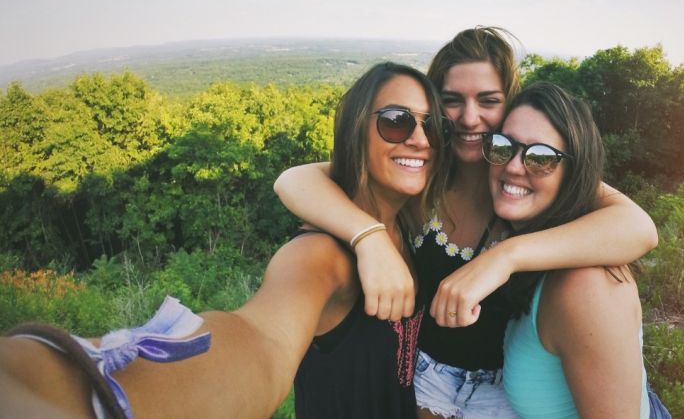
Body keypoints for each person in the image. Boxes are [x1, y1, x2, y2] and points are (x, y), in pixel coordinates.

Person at [0, 62, 452, 418]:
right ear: (356, 128)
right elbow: (259, 338)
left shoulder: (404, 229)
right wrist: (61, 386)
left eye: (432, 126)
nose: (418, 139)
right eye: (396, 121)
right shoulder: (322, 254)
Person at [274, 27, 659, 418]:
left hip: (504, 395)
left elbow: (638, 227)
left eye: (488, 101)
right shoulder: (422, 171)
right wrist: (369, 238)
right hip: (421, 385)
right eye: (452, 100)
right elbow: (295, 180)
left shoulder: (529, 174)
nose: (469, 118)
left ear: (510, 104)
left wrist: (504, 256)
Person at [493, 81, 670, 418]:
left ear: (573, 174)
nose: (514, 166)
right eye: (503, 146)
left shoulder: (583, 287)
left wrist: (503, 257)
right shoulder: (541, 244)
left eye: (541, 157)